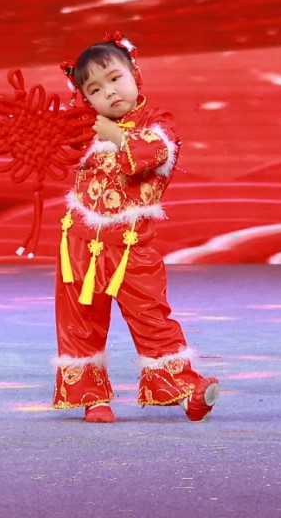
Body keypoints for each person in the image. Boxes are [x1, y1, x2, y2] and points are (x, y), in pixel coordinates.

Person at [51, 35, 218, 423]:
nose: (109, 92)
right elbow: (44, 140)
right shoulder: (83, 128)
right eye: (95, 89)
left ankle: (184, 392)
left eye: (115, 79)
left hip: (131, 247)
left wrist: (115, 135)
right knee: (80, 322)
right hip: (79, 243)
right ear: (84, 97)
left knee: (151, 317)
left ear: (135, 74)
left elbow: (155, 153)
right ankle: (92, 397)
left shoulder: (157, 122)